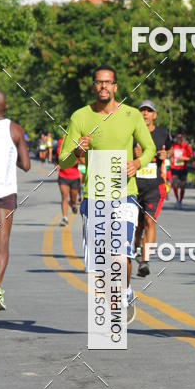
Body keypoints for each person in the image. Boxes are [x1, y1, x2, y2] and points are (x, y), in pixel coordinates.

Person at [58, 66, 156, 324]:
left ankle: (124, 292)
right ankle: (117, 293)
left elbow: (150, 148)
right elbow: (64, 162)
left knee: (121, 252)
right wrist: (78, 151)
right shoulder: (80, 117)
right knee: (99, 262)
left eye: (108, 83)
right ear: (94, 86)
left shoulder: (131, 115)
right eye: (99, 83)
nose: (103, 87)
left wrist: (137, 163)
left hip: (125, 194)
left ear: (115, 87)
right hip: (94, 195)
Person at [0, 90, 31, 310]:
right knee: (2, 243)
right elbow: (26, 165)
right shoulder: (14, 129)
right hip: (4, 192)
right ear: (5, 107)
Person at [133, 100, 172, 277]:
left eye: (149, 111)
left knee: (149, 222)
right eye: (142, 111)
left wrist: (166, 154)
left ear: (155, 115)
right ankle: (137, 250)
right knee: (137, 227)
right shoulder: (132, 134)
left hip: (154, 187)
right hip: (133, 186)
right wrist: (133, 155)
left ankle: (145, 262)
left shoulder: (163, 133)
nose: (145, 114)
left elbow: (169, 150)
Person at [56, 135, 81, 226]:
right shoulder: (60, 149)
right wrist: (57, 165)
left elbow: (82, 160)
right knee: (64, 197)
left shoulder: (76, 147)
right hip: (63, 176)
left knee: (73, 198)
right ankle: (65, 218)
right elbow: (57, 160)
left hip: (75, 177)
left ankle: (73, 204)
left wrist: (77, 159)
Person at [170, 133, 192, 208]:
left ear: (183, 138)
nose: (179, 139)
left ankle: (181, 200)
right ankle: (177, 200)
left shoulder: (186, 146)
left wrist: (184, 158)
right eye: (178, 138)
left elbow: (191, 158)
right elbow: (170, 154)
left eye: (180, 138)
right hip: (174, 168)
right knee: (175, 184)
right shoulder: (173, 146)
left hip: (183, 169)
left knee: (182, 186)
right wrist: (170, 158)